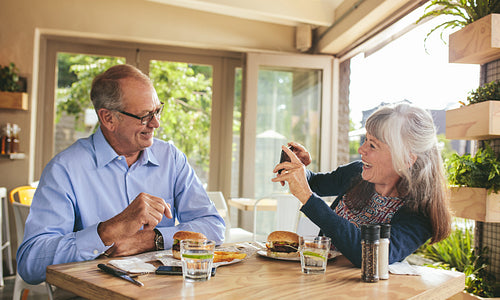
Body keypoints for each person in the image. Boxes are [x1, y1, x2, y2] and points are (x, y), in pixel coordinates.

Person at [17, 64, 225, 284]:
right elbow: (30, 264)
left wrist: (151, 239)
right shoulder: (64, 170)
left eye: (157, 111)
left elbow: (213, 226)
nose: (156, 123)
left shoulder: (171, 159)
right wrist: (107, 232)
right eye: (145, 116)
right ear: (108, 119)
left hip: (164, 291)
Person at [272, 103, 451, 267]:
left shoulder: (419, 214)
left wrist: (308, 198)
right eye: (365, 140)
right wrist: (299, 168)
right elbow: (315, 184)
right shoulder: (357, 173)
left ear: (406, 160)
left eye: (372, 145)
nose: (361, 149)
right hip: (319, 276)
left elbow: (370, 255)